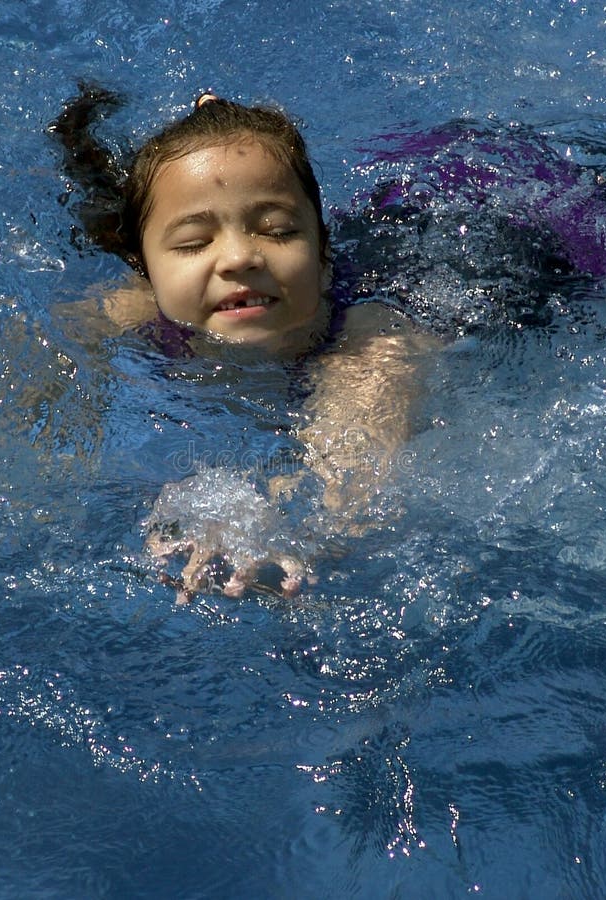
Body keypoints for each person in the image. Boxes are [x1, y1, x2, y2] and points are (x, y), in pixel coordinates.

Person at [50, 85, 439, 602]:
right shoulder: (137, 305)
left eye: (277, 231)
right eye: (193, 243)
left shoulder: (369, 338)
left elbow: (354, 480)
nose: (238, 258)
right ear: (146, 273)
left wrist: (262, 533)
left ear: (323, 252)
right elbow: (38, 358)